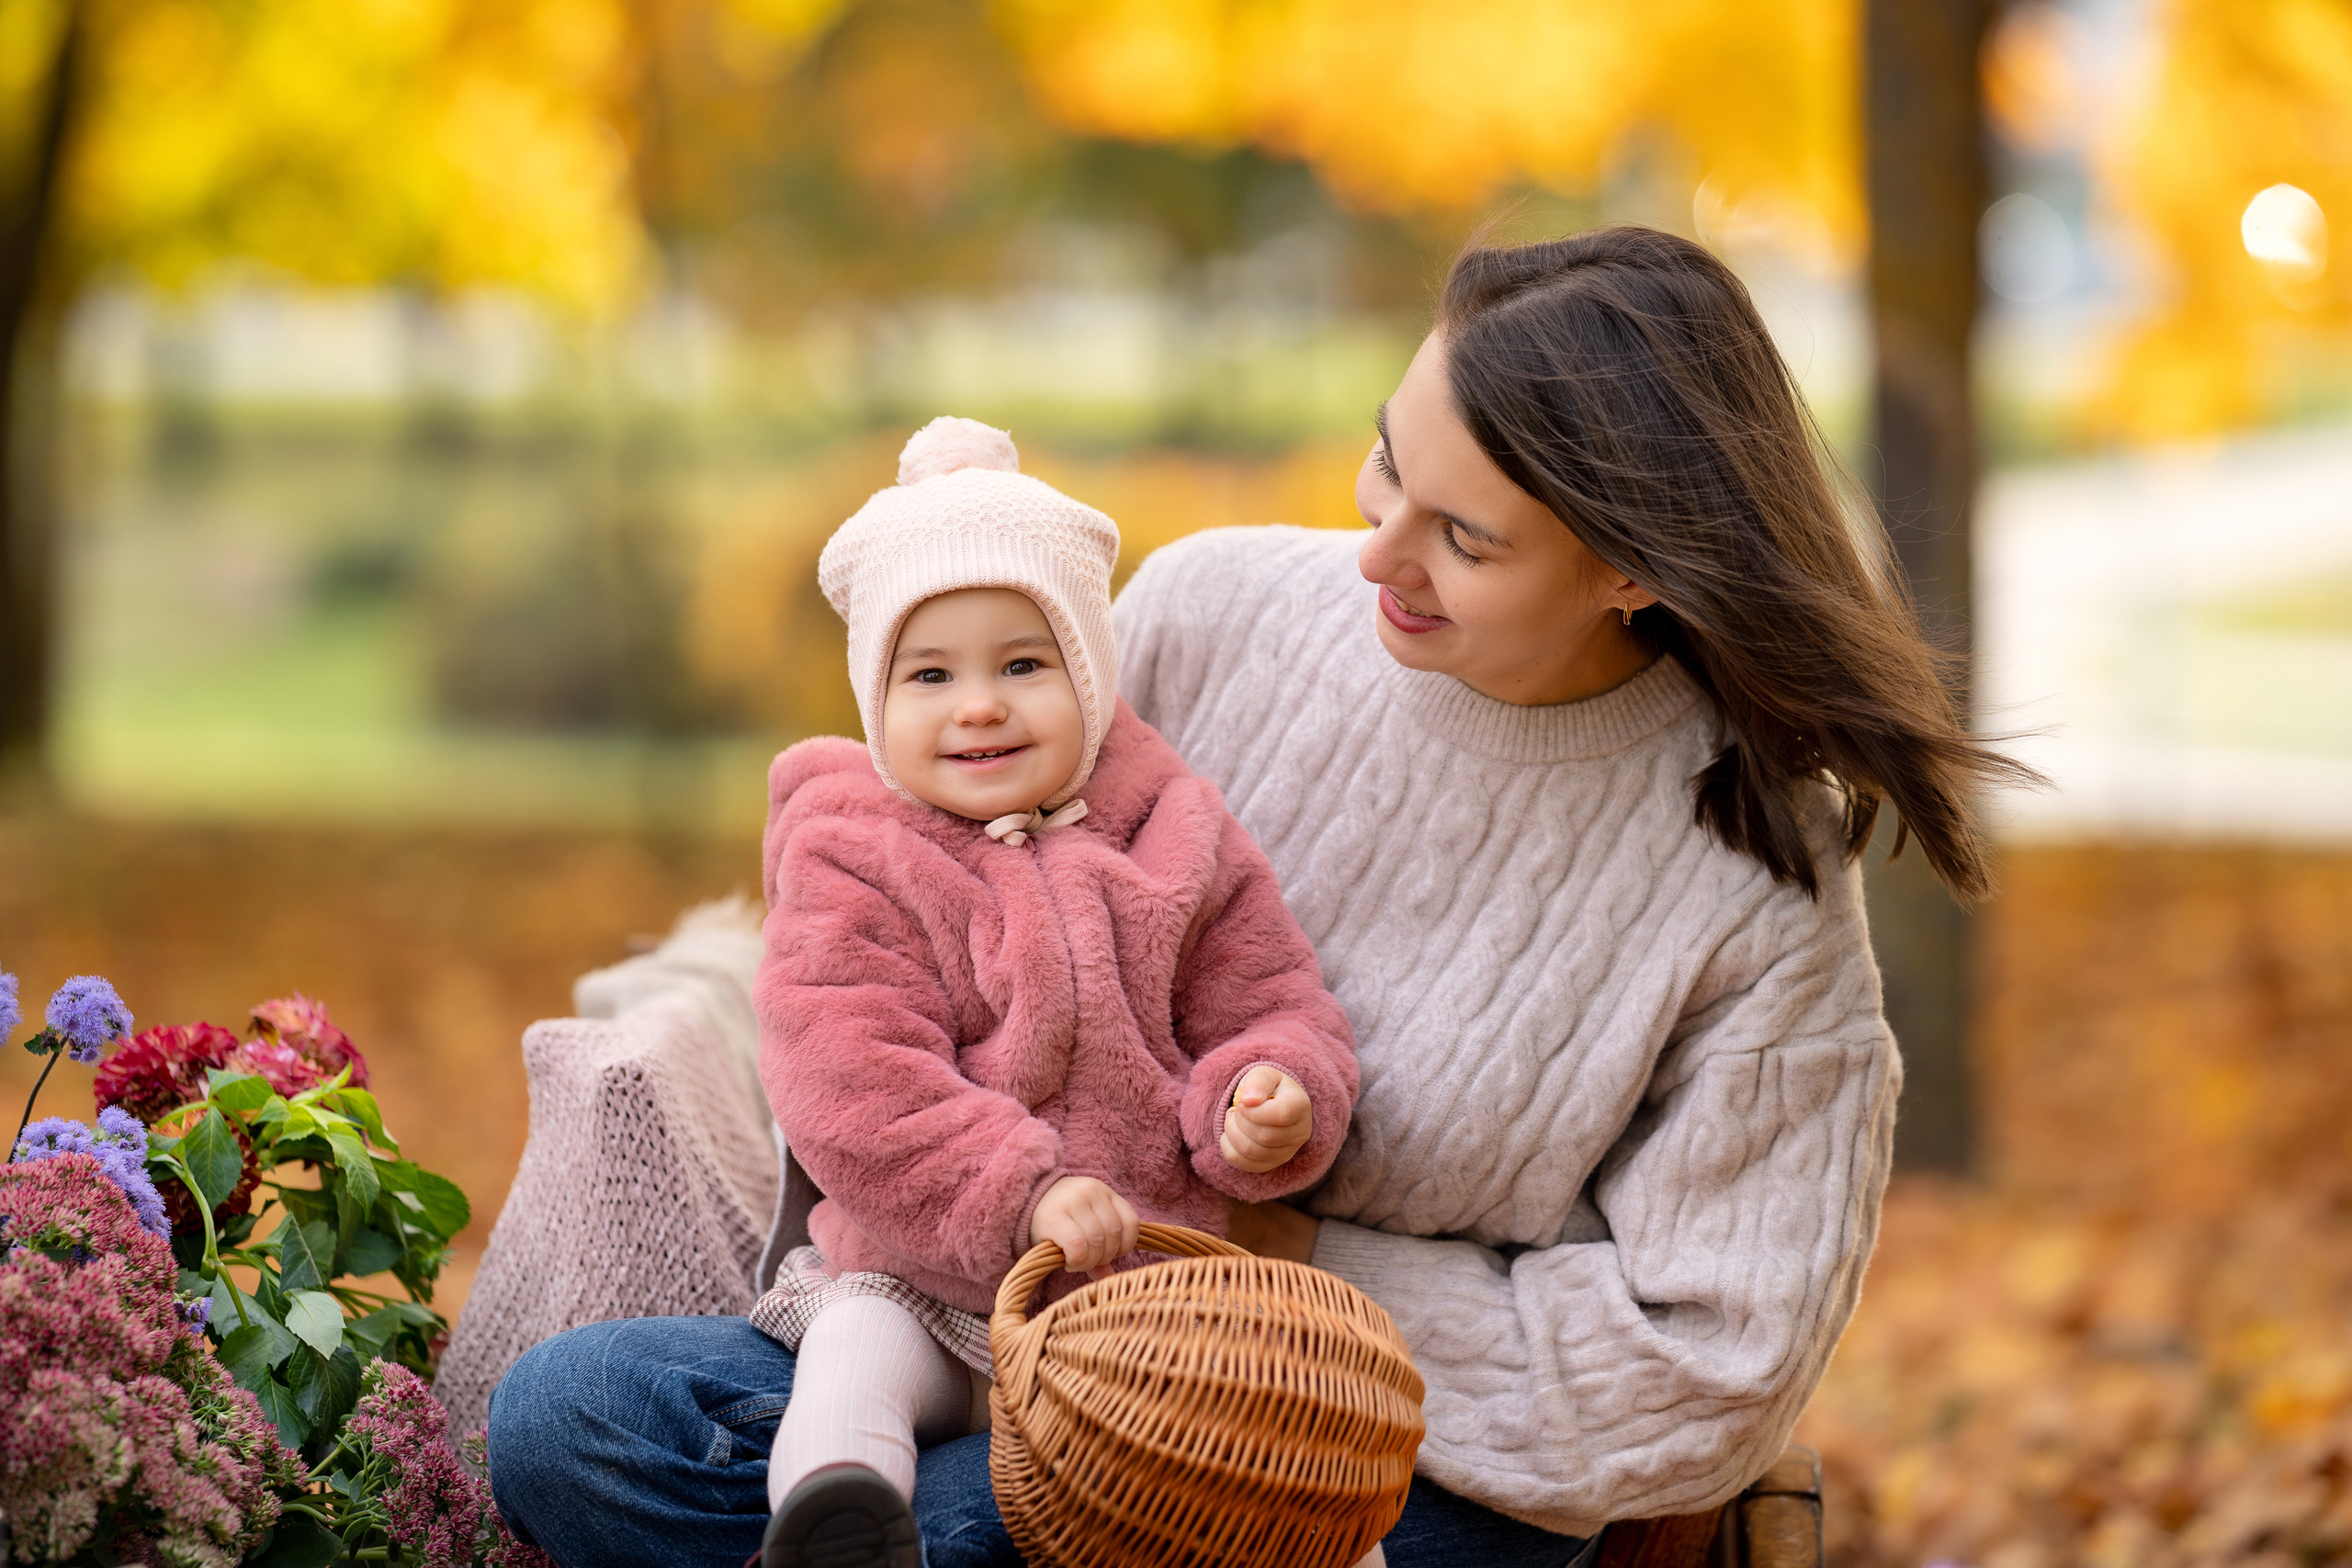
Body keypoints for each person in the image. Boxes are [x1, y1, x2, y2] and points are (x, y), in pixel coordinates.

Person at [487, 226, 2030, 1568]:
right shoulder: (1213, 611)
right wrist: (1014, 1231)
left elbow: (1710, 1362)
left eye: (1463, 538)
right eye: (1389, 462)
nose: (1375, 553)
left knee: (958, 1529)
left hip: (1380, 1455)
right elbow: (931, 896)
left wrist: (1266, 1277)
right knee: (577, 1417)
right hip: (1016, 1316)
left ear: (1634, 570)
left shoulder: (1752, 881)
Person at [741, 416, 1360, 1567]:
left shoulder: (1175, 830)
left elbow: (1274, 999)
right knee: (851, 1362)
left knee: (1269, 1447)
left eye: (1022, 665)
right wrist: (1021, 1191)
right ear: (876, 699)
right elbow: (849, 1076)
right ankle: (839, 1522)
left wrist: (1270, 1091)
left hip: (1135, 1306)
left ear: (1088, 670)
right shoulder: (851, 851)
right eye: (930, 675)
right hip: (924, 1282)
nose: (978, 705)